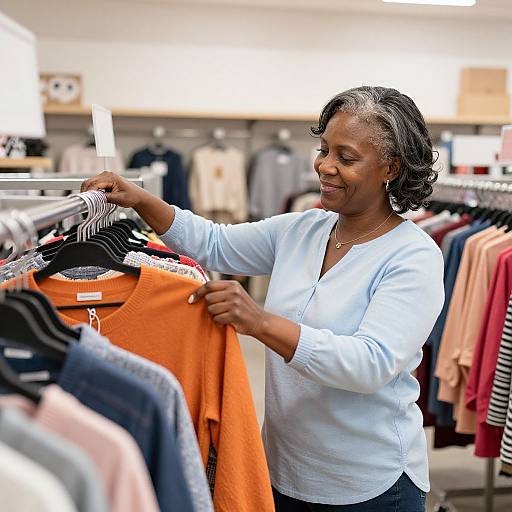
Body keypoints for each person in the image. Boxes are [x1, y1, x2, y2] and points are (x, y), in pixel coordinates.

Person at [81, 86, 444, 512]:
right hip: (283, 467)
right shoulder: (304, 228)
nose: (325, 166)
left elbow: (370, 364)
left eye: (345, 158)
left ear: (390, 167)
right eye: (324, 148)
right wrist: (141, 200)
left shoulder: (414, 256)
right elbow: (213, 242)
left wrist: (259, 322)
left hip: (371, 483)